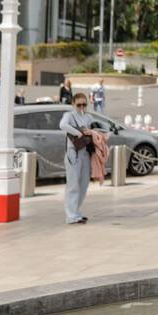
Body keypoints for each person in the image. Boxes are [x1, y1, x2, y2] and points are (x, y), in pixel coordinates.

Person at [59, 92, 95, 225]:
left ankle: (76, 211)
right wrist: (79, 133)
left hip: (85, 153)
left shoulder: (88, 117)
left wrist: (91, 131)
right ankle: (71, 215)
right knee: (73, 185)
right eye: (79, 104)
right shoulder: (68, 115)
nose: (81, 107)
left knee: (83, 184)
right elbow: (62, 125)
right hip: (73, 153)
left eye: (84, 104)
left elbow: (99, 128)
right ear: (73, 104)